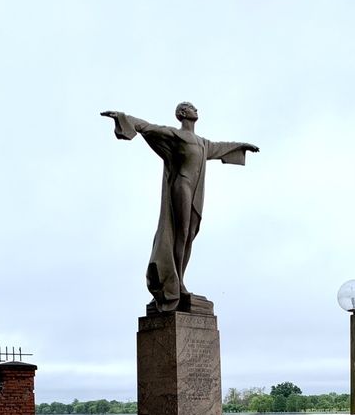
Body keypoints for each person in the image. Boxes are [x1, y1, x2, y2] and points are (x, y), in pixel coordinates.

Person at [101, 103, 259, 311]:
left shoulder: (203, 143)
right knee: (181, 233)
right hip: (182, 185)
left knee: (191, 233)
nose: (197, 110)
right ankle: (178, 284)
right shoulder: (175, 134)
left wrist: (241, 146)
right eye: (192, 108)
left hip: (196, 192)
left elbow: (222, 147)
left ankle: (179, 279)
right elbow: (147, 127)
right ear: (182, 113)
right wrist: (122, 117)